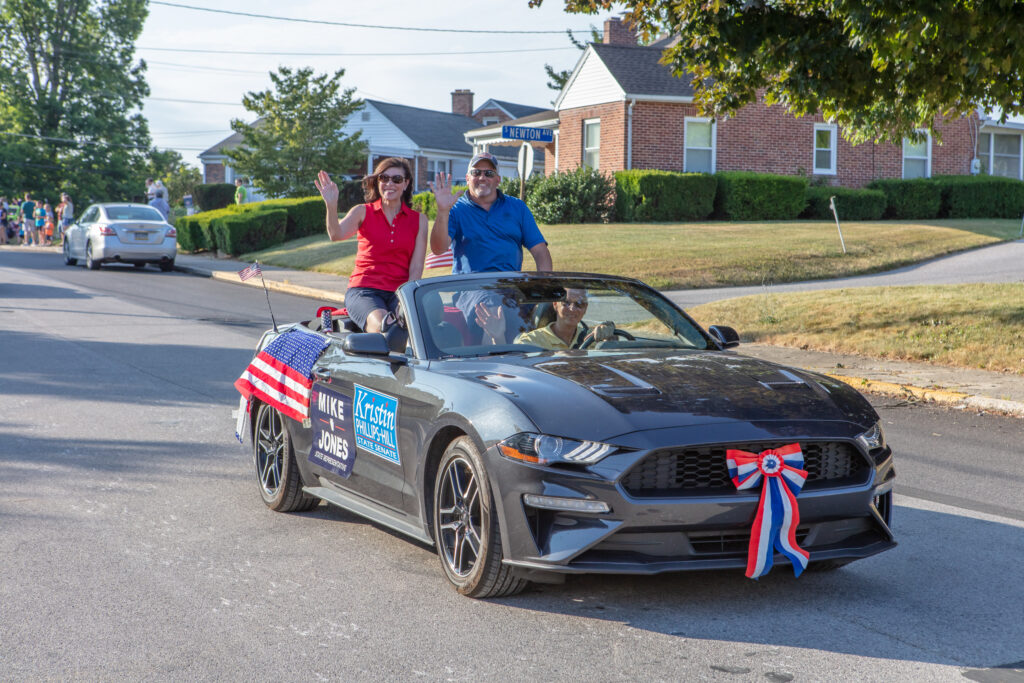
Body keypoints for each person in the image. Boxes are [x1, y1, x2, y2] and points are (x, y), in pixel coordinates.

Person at [428, 152, 553, 342]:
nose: (482, 178)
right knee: (492, 305)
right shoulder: (456, 210)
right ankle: (494, 365)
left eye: (488, 173)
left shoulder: (517, 207)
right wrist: (443, 212)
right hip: (472, 289)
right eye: (476, 172)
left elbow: (540, 252)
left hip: (511, 288)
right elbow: (438, 248)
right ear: (468, 178)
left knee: (559, 306)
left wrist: (543, 289)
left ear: (498, 180)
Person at [314, 158, 428, 334]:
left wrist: (407, 302)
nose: (389, 183)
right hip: (364, 291)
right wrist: (331, 205)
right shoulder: (362, 211)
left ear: (405, 184)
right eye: (384, 178)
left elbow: (417, 266)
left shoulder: (419, 220)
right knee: (387, 328)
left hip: (399, 293)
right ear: (377, 182)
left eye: (396, 179)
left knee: (418, 330)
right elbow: (336, 234)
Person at [511, 289, 614, 349]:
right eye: (566, 303)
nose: (572, 309)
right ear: (555, 304)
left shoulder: (593, 338)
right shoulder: (531, 341)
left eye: (579, 304)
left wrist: (610, 338)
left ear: (585, 308)